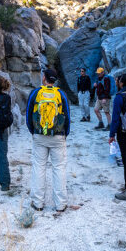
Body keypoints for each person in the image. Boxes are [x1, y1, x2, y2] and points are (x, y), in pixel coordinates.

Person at [26, 67, 71, 212]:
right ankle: (60, 204)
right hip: (58, 136)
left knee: (39, 167)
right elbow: (68, 116)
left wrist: (33, 131)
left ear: (44, 78)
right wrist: (65, 133)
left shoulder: (35, 93)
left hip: (39, 135)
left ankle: (38, 203)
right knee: (59, 168)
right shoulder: (61, 94)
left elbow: (28, 115)